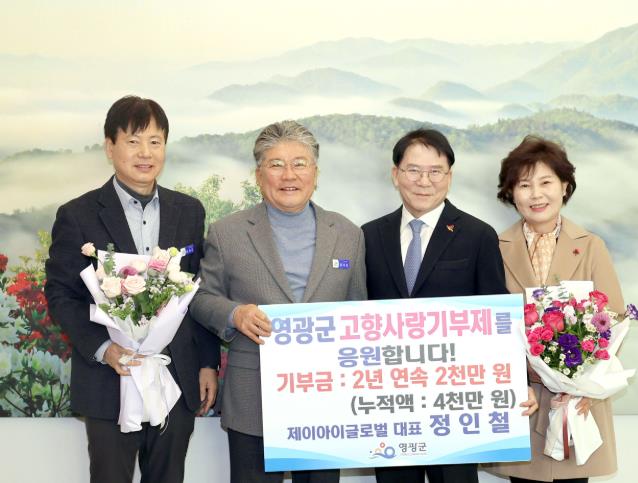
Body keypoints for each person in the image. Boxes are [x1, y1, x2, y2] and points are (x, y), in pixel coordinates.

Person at [44, 95, 220, 483]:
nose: (145, 153)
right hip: (110, 379)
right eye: (133, 141)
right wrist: (103, 349)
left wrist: (208, 363)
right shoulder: (78, 215)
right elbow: (61, 295)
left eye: (155, 142)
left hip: (174, 377)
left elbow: (199, 292)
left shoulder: (188, 211)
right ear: (110, 147)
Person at [190, 120, 367, 483]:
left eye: (300, 163)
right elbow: (201, 298)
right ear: (259, 175)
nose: (289, 175)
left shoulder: (348, 234)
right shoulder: (227, 232)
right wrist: (235, 314)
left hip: (327, 398)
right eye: (276, 164)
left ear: (315, 173)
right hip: (253, 397)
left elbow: (358, 311)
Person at [362, 128, 536, 483]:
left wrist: (516, 380)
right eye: (413, 170)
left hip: (455, 402)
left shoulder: (478, 235)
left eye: (435, 171)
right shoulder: (368, 235)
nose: (424, 181)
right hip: (391, 403)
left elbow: (496, 317)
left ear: (449, 177)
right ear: (395, 174)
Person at [488, 135, 625, 483]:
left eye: (546, 182)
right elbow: (488, 326)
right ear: (511, 193)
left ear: (565, 186)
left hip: (577, 407)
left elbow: (613, 321)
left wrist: (585, 385)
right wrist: (517, 382)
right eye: (524, 185)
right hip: (523, 402)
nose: (536, 194)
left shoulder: (591, 246)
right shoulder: (494, 248)